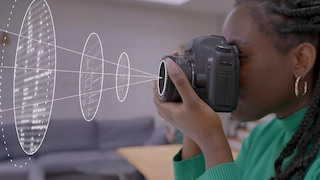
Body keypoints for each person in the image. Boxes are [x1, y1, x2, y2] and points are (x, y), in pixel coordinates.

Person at [153, 0, 320, 179]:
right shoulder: (261, 138)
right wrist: (193, 131)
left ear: (301, 60)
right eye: (224, 52)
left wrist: (212, 141)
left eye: (237, 55)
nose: (224, 71)